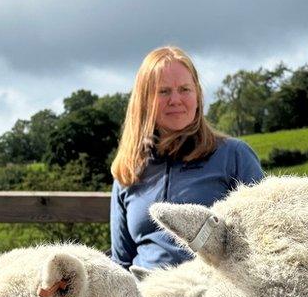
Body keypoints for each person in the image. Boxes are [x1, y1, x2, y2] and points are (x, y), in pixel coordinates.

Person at [110, 46, 264, 270]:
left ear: (197, 96)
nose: (175, 99)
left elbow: (264, 241)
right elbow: (121, 262)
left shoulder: (234, 156)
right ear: (145, 101)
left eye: (184, 89)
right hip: (145, 295)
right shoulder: (128, 171)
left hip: (211, 296)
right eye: (163, 91)